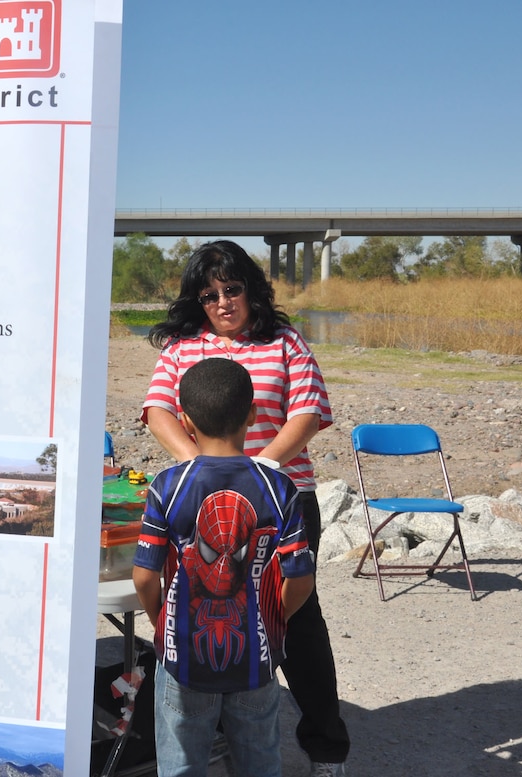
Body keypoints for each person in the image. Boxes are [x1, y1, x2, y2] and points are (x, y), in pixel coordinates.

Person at [141, 240, 350, 777]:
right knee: (204, 608)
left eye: (232, 289)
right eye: (209, 294)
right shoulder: (183, 347)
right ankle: (214, 737)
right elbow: (157, 409)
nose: (223, 302)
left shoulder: (285, 342)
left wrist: (261, 470)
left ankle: (325, 747)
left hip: (283, 496)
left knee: (294, 619)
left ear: (252, 291)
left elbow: (308, 413)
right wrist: (201, 469)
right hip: (202, 502)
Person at [132, 357, 316, 777]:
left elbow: (144, 575)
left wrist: (164, 621)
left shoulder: (167, 485)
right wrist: (273, 620)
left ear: (185, 420)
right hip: (257, 659)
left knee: (181, 765)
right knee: (259, 763)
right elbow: (300, 580)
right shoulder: (279, 487)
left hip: (183, 660)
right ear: (253, 413)